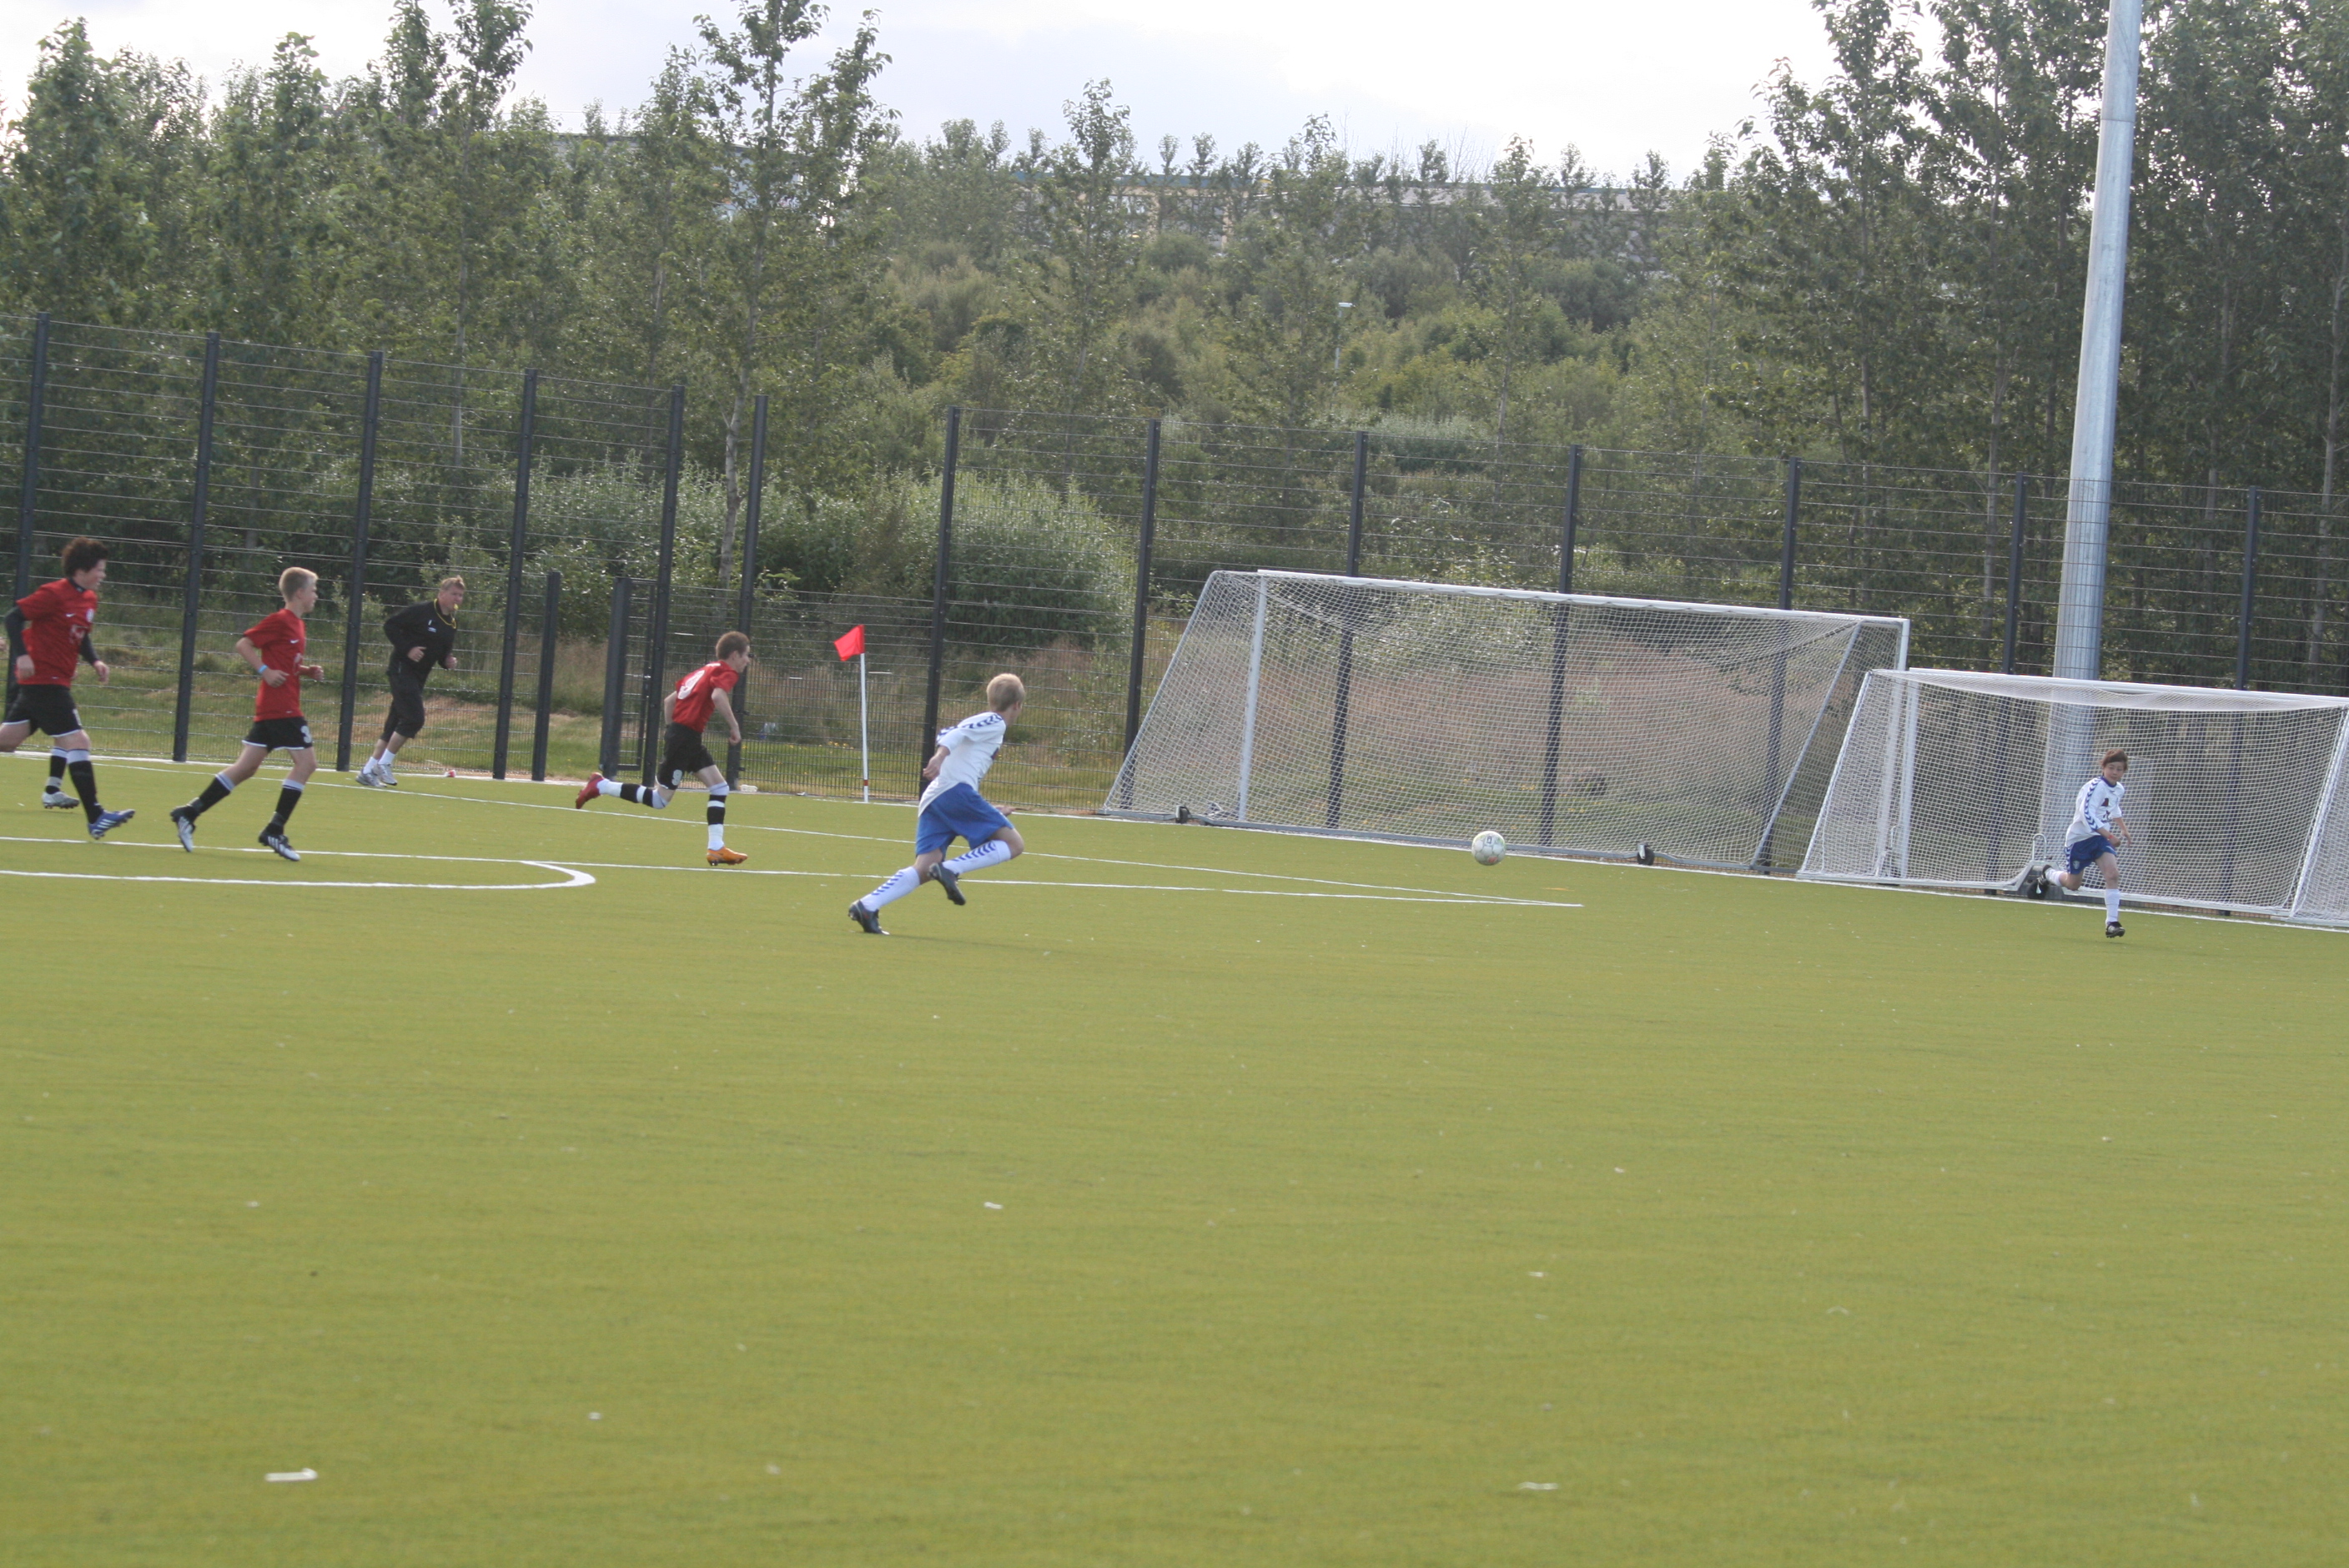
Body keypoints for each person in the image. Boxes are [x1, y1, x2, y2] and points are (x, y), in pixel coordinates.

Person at [848, 673, 1026, 935]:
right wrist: (939, 757)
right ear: (1018, 705)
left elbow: (952, 737)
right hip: (954, 792)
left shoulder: (985, 724)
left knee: (924, 867)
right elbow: (955, 734)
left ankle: (867, 906)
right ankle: (950, 870)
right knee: (1014, 844)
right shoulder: (995, 721)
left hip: (939, 796)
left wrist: (989, 810)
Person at [170, 567, 328, 862]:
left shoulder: (298, 625)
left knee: (246, 768)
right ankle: (274, 830)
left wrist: (306, 671)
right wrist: (264, 670)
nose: (316, 596)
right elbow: (244, 644)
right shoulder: (281, 620)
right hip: (282, 708)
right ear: (299, 593)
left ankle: (189, 812)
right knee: (307, 764)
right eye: (313, 590)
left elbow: (286, 661)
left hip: (273, 707)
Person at [574, 631, 752, 867]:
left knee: (720, 787)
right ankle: (601, 785)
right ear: (734, 655)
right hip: (685, 739)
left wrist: (673, 731)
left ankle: (716, 848)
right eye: (746, 655)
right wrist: (734, 727)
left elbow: (670, 701)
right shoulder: (726, 672)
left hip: (687, 738)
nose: (748, 661)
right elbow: (719, 697)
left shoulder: (705, 670)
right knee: (660, 800)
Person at [1, 535, 133, 838]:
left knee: (7, 741)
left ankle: (95, 816)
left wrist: (95, 661)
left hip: (53, 681)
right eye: (99, 569)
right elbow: (13, 618)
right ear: (82, 570)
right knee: (78, 741)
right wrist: (22, 655)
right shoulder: (54, 593)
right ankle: (96, 816)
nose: (103, 575)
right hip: (44, 682)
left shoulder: (89, 599)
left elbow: (81, 636)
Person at [357, 575, 465, 787]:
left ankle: (368, 771)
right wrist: (408, 649)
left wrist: (447, 661)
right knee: (415, 719)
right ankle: (384, 764)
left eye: (461, 595)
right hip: (402, 670)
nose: (457, 599)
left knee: (394, 725)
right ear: (442, 594)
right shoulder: (422, 611)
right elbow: (391, 625)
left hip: (419, 677)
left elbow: (443, 653)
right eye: (454, 594)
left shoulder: (451, 624)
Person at [2027, 748, 2131, 937]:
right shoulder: (2096, 786)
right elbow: (2087, 815)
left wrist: (2123, 828)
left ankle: (2112, 923)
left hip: (2099, 839)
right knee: (2073, 884)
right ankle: (2048, 874)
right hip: (2079, 839)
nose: (2115, 772)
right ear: (2103, 767)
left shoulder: (2119, 789)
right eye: (2111, 767)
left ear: (2124, 771)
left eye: (2119, 769)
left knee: (2113, 874)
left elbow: (2114, 808)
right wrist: (2110, 836)